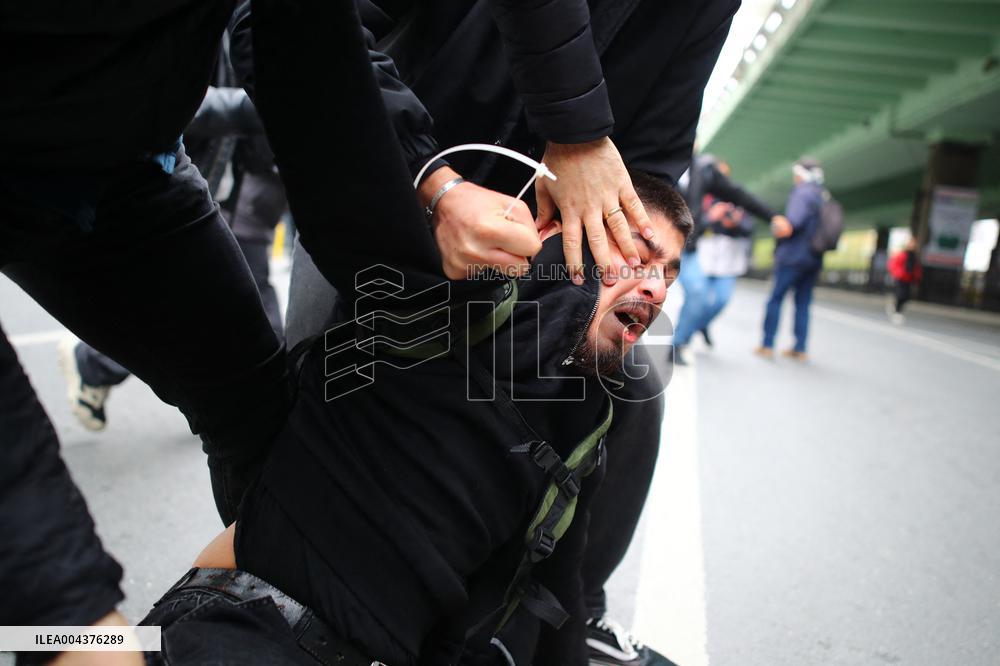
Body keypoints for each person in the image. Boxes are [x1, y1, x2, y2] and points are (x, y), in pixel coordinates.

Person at [1, 0, 590, 659]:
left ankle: (194, 628)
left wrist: (420, 294)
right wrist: (73, 619)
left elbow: (312, 65)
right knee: (63, 614)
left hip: (130, 168)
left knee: (271, 435)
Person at [275, 2, 742, 660]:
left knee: (635, 374)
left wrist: (610, 266)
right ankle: (273, 600)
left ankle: (563, 612)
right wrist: (431, 184)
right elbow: (311, 38)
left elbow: (653, 161)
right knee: (296, 402)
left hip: (548, 244)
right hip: (393, 183)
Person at [142, 155, 692, 665]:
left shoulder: (586, 428)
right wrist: (449, 190)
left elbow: (559, 590)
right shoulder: (443, 291)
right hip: (230, 621)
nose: (657, 289)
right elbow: (347, 160)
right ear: (557, 231)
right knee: (69, 634)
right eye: (639, 257)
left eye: (668, 274)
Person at [56, 84, 288, 432]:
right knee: (233, 317)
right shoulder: (218, 35)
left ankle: (255, 417)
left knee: (215, 315)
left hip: (247, 189)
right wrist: (248, 105)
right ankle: (94, 364)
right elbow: (176, 93)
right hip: (210, 189)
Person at [673, 153, 787, 365]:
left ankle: (678, 342)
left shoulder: (703, 169)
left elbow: (738, 195)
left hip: (686, 249)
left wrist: (771, 216)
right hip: (647, 242)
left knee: (700, 293)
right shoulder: (657, 153)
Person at [756, 157, 827, 361]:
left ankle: (767, 344)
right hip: (814, 258)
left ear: (801, 175)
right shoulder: (821, 195)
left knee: (776, 299)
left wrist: (776, 227)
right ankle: (800, 347)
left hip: (793, 257)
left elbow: (791, 224)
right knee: (803, 303)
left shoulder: (802, 193)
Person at [690, 193, 754, 346]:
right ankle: (685, 335)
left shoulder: (741, 206)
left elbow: (748, 229)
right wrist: (713, 217)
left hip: (728, 264)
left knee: (721, 300)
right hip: (704, 260)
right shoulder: (710, 203)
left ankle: (699, 325)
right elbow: (695, 227)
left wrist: (736, 223)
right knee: (699, 299)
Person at [886, 237, 922, 325]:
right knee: (900, 294)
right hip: (900, 278)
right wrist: (898, 273)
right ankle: (897, 312)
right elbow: (892, 264)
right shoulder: (902, 255)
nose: (913, 246)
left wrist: (917, 278)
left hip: (909, 279)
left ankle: (897, 309)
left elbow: (916, 269)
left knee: (906, 297)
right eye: (911, 244)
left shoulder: (914, 257)